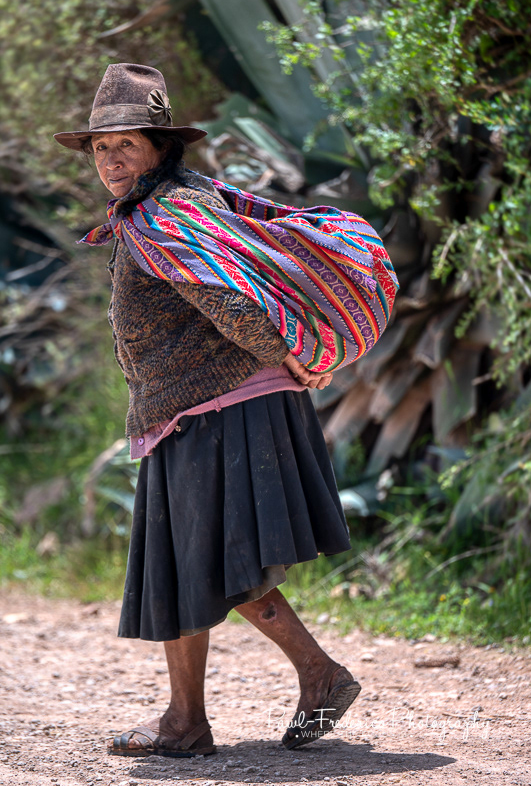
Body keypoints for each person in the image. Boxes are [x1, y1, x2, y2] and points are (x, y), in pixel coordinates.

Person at [54, 63, 360, 759]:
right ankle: (185, 721)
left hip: (222, 406)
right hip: (188, 409)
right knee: (183, 564)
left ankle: (318, 675)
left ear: (162, 147)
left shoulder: (169, 211)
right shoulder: (164, 206)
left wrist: (294, 358)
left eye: (126, 144)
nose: (111, 160)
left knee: (217, 559)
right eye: (102, 148)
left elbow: (231, 300)